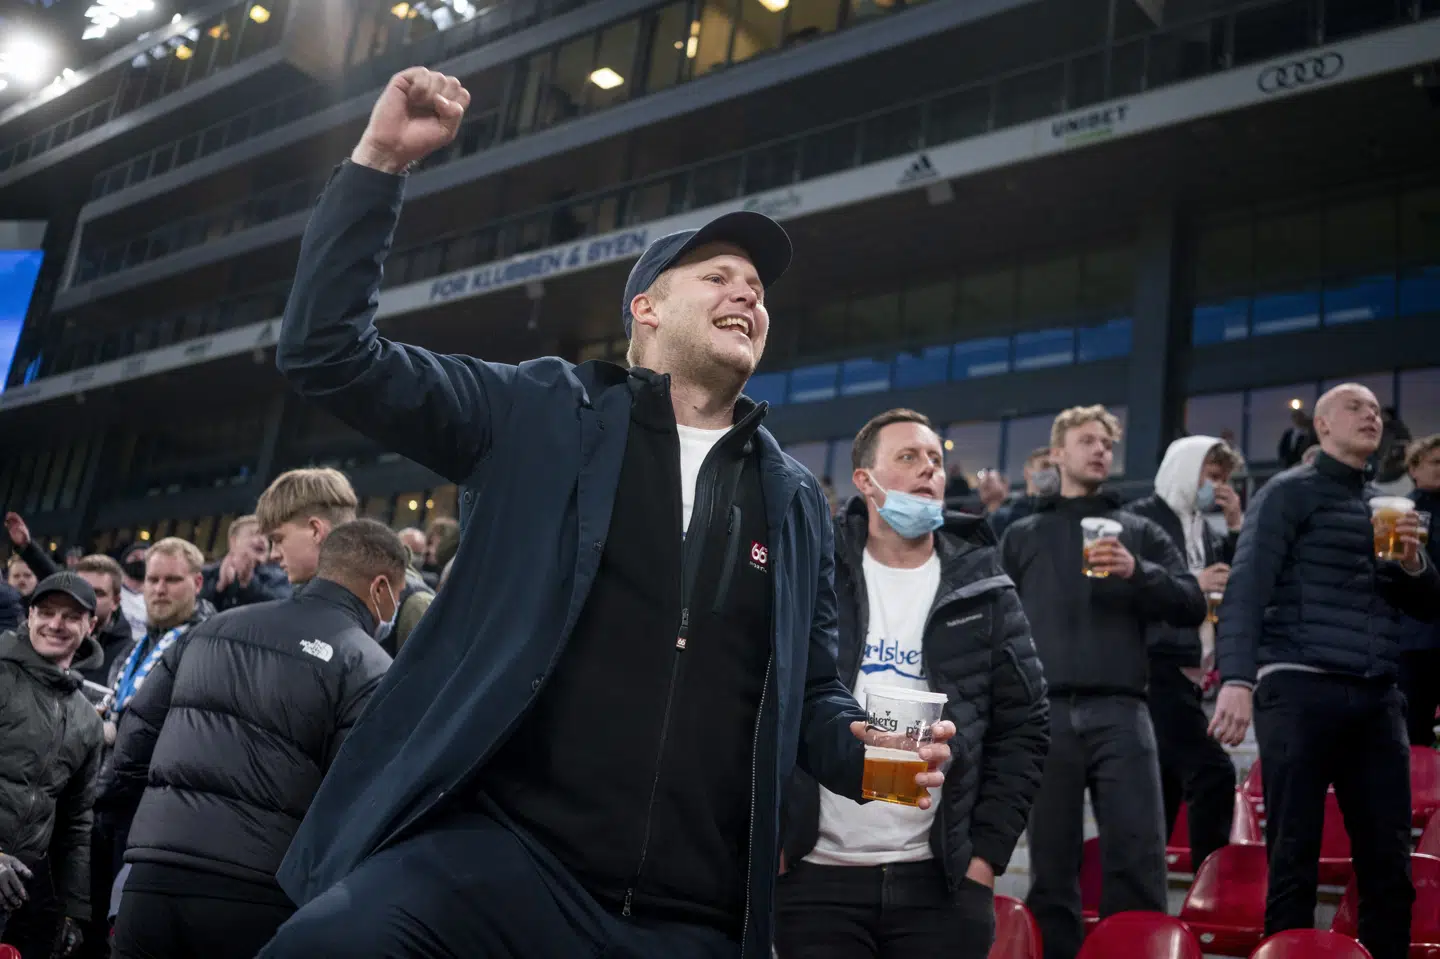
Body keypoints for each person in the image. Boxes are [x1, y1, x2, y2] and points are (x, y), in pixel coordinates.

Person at [257, 67, 954, 959]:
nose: (749, 294)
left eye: (757, 288)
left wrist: (862, 753)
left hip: (692, 915)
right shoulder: (540, 412)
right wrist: (378, 166)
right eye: (719, 276)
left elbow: (810, 692)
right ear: (646, 307)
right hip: (502, 863)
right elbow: (327, 352)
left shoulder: (792, 499)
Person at [778, 410, 1048, 959]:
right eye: (908, 456)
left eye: (935, 460)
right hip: (815, 876)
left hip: (941, 884)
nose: (930, 469)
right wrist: (777, 844)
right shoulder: (813, 572)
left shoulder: (986, 586)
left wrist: (984, 861)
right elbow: (768, 700)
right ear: (864, 480)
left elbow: (1025, 726)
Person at [1212, 384, 1440, 959]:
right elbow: (1247, 587)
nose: (1371, 416)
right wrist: (1236, 678)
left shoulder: (1387, 507)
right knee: (1293, 854)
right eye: (1354, 407)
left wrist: (1414, 564)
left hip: (1377, 693)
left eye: (1376, 411)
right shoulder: (1287, 493)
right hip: (1297, 685)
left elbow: (1427, 605)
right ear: (1322, 425)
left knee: (1388, 861)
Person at [103, 520, 396, 959]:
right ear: (380, 588)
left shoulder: (208, 628)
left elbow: (132, 745)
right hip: (258, 891)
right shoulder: (369, 665)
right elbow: (353, 799)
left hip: (153, 875)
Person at [1000, 404, 1206, 959]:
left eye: (1107, 444)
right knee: (1051, 867)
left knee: (1138, 860)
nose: (1100, 451)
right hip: (1044, 713)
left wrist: (1139, 571)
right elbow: (997, 622)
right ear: (1058, 453)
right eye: (1087, 441)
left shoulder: (1139, 530)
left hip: (1123, 709)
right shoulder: (1021, 534)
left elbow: (1192, 602)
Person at [1125, 436, 1243, 871]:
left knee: (1165, 787)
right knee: (1213, 772)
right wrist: (1195, 582)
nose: (1217, 487)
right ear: (1186, 469)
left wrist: (1235, 525)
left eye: (1223, 479)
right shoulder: (1140, 517)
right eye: (1211, 476)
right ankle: (1209, 883)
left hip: (1190, 667)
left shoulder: (1203, 527)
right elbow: (1131, 583)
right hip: (1155, 663)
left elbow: (1232, 580)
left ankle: (1147, 890)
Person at [97, 538, 214, 892]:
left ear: (197, 582)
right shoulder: (135, 648)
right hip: (109, 804)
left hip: (156, 811)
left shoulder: (208, 647)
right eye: (152, 579)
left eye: (172, 580)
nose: (160, 589)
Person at [0, 572, 105, 958]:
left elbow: (75, 823)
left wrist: (72, 910)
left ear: (91, 625)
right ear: (29, 615)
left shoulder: (87, 720)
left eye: (70, 616)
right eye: (46, 612)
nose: (56, 624)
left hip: (14, 898)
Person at [255, 467, 433, 654]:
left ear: (316, 530)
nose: (273, 554)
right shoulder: (309, 599)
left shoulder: (414, 608)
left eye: (278, 539)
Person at [1399, 435, 1440, 745]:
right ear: (1413, 469)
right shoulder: (1399, 514)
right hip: (1414, 641)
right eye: (1436, 462)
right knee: (1414, 732)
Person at [200, 515, 292, 612]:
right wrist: (219, 587)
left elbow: (284, 608)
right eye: (254, 534)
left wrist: (249, 583)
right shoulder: (206, 574)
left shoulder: (280, 577)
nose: (262, 540)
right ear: (233, 541)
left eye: (266, 537)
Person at [987, 448, 1059, 541]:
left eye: (1056, 467)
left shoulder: (1064, 513)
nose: (1052, 472)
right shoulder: (1003, 517)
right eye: (1045, 465)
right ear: (1027, 472)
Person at [116, 544, 149, 642]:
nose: (141, 560)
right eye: (135, 557)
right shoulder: (112, 592)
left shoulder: (157, 597)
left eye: (145, 558)